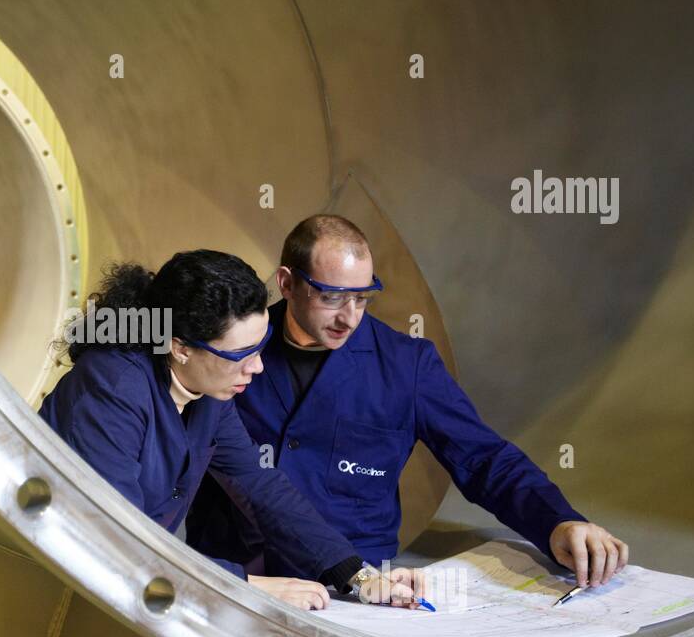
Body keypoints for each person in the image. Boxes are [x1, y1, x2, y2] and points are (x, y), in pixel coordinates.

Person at [187, 215, 629, 597]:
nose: (349, 317)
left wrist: (559, 523)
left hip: (360, 592)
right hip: (236, 581)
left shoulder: (407, 365)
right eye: (332, 297)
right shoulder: (226, 353)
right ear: (287, 283)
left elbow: (484, 459)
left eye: (362, 298)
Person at [38, 249, 422, 611]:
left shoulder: (211, 394)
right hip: (59, 590)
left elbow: (257, 483)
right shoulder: (112, 390)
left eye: (261, 345)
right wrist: (245, 584)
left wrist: (355, 573)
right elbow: (116, 539)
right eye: (240, 355)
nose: (256, 367)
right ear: (180, 347)